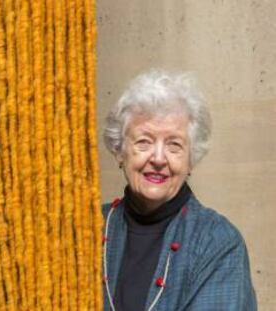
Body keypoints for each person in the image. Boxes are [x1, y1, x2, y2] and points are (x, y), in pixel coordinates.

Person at [102, 70, 257, 311]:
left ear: (191, 160)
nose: (158, 158)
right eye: (144, 142)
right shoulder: (88, 228)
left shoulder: (217, 242)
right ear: (120, 150)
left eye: (174, 145)